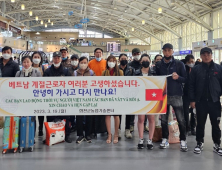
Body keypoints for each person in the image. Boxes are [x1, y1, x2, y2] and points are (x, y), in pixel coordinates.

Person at [189, 47, 222, 156]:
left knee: (216, 124)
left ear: (211, 55)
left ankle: (217, 144)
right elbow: (191, 85)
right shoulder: (196, 69)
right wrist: (192, 100)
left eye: (208, 54)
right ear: (201, 56)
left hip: (214, 102)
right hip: (200, 102)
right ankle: (199, 143)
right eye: (204, 54)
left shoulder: (219, 68)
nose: (206, 56)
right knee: (200, 124)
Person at [156, 43, 188, 152]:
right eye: (165, 50)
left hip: (176, 95)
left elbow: (185, 79)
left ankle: (183, 140)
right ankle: (165, 139)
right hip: (163, 95)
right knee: (163, 120)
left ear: (172, 51)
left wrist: (178, 77)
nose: (167, 52)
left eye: (169, 50)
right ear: (163, 52)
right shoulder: (159, 65)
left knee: (181, 119)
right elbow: (155, 80)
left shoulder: (179, 64)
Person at [43, 51, 72, 143]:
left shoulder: (66, 71)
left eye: (58, 58)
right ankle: (49, 135)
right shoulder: (47, 71)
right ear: (53, 59)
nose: (56, 59)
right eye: (55, 58)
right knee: (50, 117)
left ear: (60, 59)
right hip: (51, 98)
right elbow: (44, 85)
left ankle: (66, 135)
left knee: (65, 117)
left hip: (63, 98)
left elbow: (70, 84)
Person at [134, 54, 155, 150]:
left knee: (151, 119)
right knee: (141, 119)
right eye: (143, 60)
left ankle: (150, 139)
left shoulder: (154, 72)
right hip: (140, 98)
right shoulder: (136, 72)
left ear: (150, 61)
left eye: (147, 60)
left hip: (152, 98)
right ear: (140, 62)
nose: (145, 61)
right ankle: (141, 139)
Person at [102, 55, 123, 144]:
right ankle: (109, 134)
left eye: (113, 61)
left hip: (117, 96)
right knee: (107, 115)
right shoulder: (104, 72)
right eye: (110, 61)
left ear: (116, 62)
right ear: (107, 62)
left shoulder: (120, 72)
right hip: (107, 96)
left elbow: (123, 84)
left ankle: (116, 134)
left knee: (116, 115)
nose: (111, 62)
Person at [74, 56, 95, 144]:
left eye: (85, 62)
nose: (83, 64)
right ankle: (80, 135)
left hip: (88, 97)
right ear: (79, 63)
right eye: (81, 62)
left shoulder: (91, 72)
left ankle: (88, 134)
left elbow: (95, 83)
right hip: (78, 97)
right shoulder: (75, 73)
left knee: (89, 116)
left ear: (87, 63)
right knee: (79, 116)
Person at [88, 48, 107, 139]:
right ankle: (93, 131)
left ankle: (103, 129)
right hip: (93, 90)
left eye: (100, 52)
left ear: (102, 54)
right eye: (97, 52)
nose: (98, 54)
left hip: (103, 90)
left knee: (103, 112)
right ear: (94, 53)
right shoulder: (90, 63)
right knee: (93, 111)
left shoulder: (105, 62)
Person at [31, 51, 48, 136]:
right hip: (30, 94)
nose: (36, 59)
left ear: (41, 59)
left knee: (41, 112)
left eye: (38, 57)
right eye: (35, 57)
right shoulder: (28, 68)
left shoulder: (44, 68)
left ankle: (40, 128)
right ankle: (32, 128)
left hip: (41, 93)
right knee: (32, 112)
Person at [118, 53, 134, 139]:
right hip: (118, 94)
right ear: (119, 60)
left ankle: (127, 129)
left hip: (128, 93)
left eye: (125, 58)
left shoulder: (131, 69)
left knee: (128, 113)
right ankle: (119, 130)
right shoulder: (116, 69)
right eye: (122, 58)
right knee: (119, 113)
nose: (123, 59)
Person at [182, 55, 196, 136]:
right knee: (185, 111)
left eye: (193, 62)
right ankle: (186, 128)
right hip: (186, 93)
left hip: (195, 94)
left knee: (194, 112)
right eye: (190, 62)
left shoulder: (196, 69)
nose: (191, 63)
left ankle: (192, 127)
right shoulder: (184, 69)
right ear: (186, 62)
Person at [128, 48, 142, 132]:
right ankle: (131, 125)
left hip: (143, 89)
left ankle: (144, 125)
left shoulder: (143, 63)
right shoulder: (130, 65)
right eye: (135, 53)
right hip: (133, 89)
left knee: (145, 108)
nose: (137, 55)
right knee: (132, 108)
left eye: (138, 53)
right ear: (132, 55)